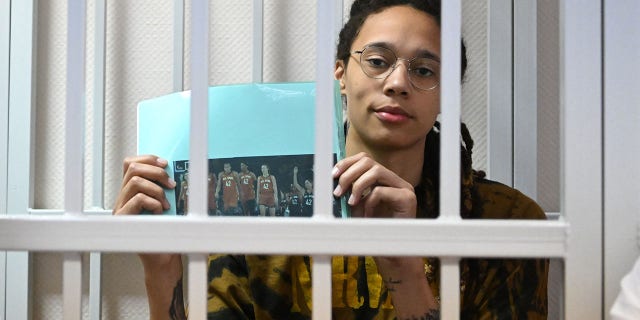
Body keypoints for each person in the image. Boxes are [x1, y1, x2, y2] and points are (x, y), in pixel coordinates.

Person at [112, 0, 548, 318]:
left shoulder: (507, 223)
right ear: (340, 74)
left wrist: (405, 267)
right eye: (377, 61)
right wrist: (161, 272)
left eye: (424, 70)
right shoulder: (261, 208)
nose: (397, 82)